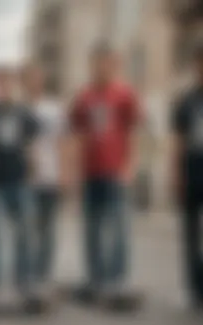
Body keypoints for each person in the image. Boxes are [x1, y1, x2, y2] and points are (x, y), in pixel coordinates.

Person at [69, 42, 141, 309]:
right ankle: (95, 279)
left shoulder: (124, 95)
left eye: (107, 63)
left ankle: (117, 279)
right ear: (91, 65)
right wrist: (75, 172)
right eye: (97, 63)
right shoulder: (84, 97)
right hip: (90, 173)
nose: (101, 68)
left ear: (115, 65)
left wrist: (129, 167)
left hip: (116, 172)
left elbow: (134, 133)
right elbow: (77, 133)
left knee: (118, 228)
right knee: (92, 229)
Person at [0, 64, 38, 299]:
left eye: (8, 82)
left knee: (24, 232)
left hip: (20, 180)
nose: (4, 86)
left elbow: (31, 146)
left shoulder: (24, 113)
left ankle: (24, 280)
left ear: (14, 85)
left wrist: (33, 174)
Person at [20, 62, 67, 296]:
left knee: (48, 231)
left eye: (37, 77)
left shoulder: (54, 108)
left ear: (43, 80)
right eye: (29, 78)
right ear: (24, 82)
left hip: (51, 176)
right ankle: (27, 277)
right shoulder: (18, 109)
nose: (34, 82)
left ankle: (44, 275)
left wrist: (64, 173)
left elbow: (62, 142)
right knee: (28, 230)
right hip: (26, 181)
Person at [171, 41, 203, 310]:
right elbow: (178, 142)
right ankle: (194, 289)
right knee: (190, 235)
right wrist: (176, 175)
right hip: (192, 175)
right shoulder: (186, 101)